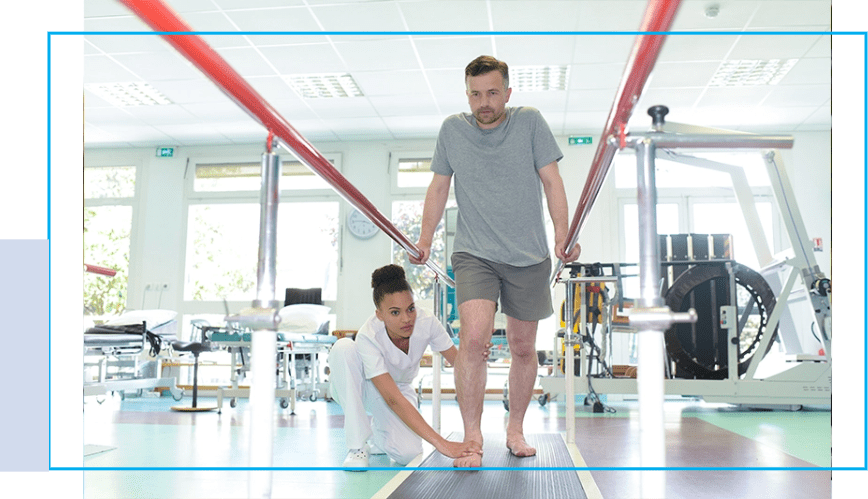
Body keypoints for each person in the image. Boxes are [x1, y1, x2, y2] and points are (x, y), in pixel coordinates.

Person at [409, 55, 581, 467]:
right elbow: (437, 188)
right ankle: (472, 436)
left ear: (507, 91)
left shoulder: (530, 122)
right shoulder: (452, 130)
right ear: (466, 93)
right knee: (475, 340)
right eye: (475, 94)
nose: (483, 102)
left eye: (491, 92)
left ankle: (515, 428)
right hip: (475, 252)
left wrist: (563, 234)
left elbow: (552, 181)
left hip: (529, 254)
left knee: (523, 347)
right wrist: (425, 239)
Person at [327, 264, 485, 469]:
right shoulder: (369, 334)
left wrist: (474, 354)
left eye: (410, 308)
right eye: (395, 312)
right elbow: (391, 398)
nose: (406, 319)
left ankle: (378, 433)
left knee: (408, 454)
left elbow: (460, 364)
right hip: (363, 388)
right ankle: (357, 447)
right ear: (380, 314)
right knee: (344, 348)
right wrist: (442, 444)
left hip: (399, 389)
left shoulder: (427, 321)